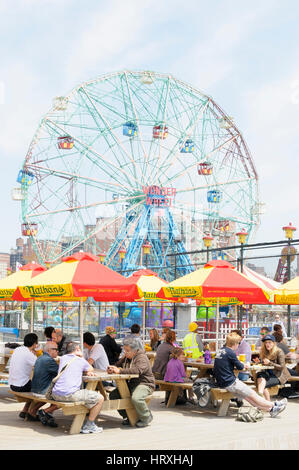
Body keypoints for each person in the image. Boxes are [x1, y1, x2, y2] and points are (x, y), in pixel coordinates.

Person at [213, 332, 287, 418]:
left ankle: (271, 410)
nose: (238, 345)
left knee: (248, 398)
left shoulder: (221, 350)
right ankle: (275, 404)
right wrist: (245, 365)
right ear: (235, 343)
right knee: (253, 395)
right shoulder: (231, 353)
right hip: (230, 382)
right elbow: (240, 367)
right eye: (238, 343)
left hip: (221, 382)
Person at [51, 342, 104, 434]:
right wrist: (82, 357)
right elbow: (90, 368)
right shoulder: (80, 360)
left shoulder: (63, 358)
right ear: (77, 350)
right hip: (70, 395)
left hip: (55, 394)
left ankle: (87, 420)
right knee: (100, 398)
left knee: (86, 397)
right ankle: (89, 425)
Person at [108, 337, 155, 427]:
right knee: (114, 395)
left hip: (145, 383)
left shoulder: (141, 358)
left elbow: (137, 370)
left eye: (127, 350)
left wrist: (120, 371)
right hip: (132, 384)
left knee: (136, 398)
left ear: (135, 350)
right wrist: (113, 368)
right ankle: (128, 416)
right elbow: (118, 365)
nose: (125, 352)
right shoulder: (127, 357)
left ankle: (146, 416)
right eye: (124, 350)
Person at [8, 333, 38, 420]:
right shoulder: (29, 354)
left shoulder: (18, 349)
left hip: (12, 385)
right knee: (40, 389)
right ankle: (32, 412)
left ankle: (25, 410)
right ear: (34, 344)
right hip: (21, 386)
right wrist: (34, 354)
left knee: (33, 386)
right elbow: (39, 365)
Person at [31, 341, 59, 427]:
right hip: (42, 391)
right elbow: (61, 373)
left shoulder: (40, 358)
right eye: (56, 349)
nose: (58, 351)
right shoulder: (49, 361)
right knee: (62, 394)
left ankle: (32, 411)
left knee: (53, 390)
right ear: (49, 350)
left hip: (34, 389)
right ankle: (47, 412)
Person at [256, 334, 291, 401]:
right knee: (259, 375)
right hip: (269, 374)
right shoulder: (265, 352)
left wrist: (269, 362)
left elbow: (282, 367)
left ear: (274, 343)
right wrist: (260, 362)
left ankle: (263, 400)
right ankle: (265, 401)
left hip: (279, 376)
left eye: (269, 342)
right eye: (266, 342)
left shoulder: (279, 351)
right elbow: (265, 364)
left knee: (261, 385)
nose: (267, 344)